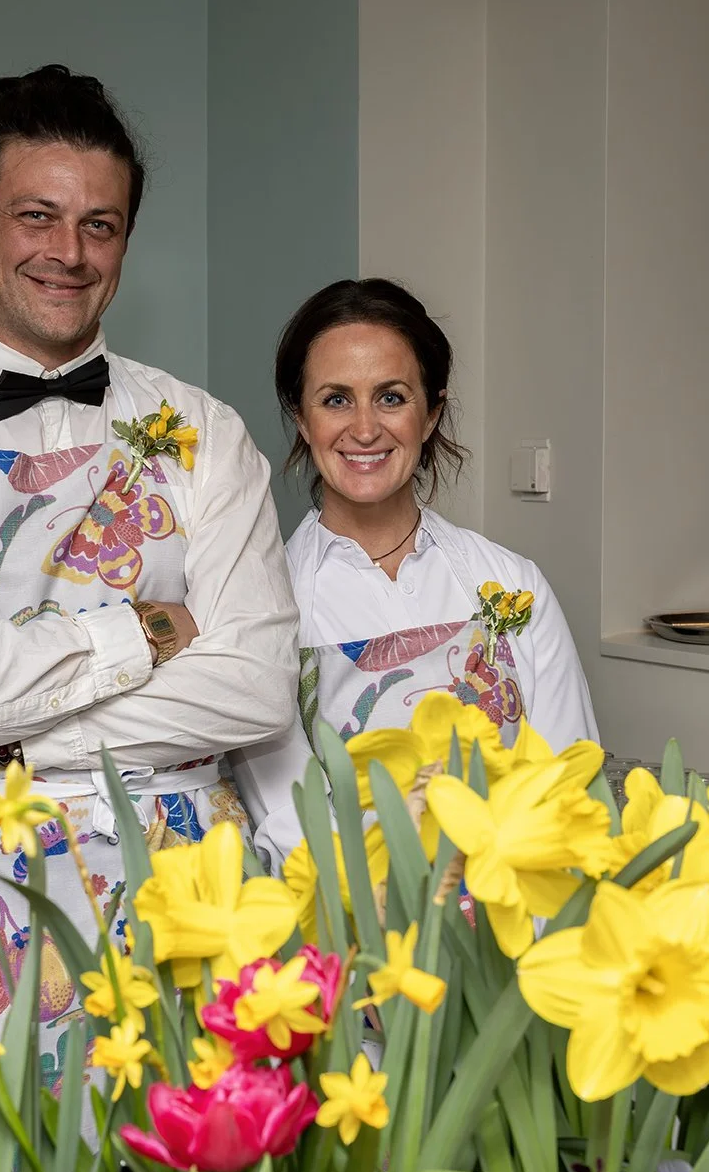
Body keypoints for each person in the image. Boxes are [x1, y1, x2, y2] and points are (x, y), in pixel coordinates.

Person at [0, 65, 298, 1061]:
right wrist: (143, 633)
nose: (67, 252)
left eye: (98, 225)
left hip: (187, 910)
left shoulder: (206, 429)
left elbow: (253, 686)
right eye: (35, 215)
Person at [233, 279, 598, 863]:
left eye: (391, 397)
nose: (365, 429)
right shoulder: (264, 608)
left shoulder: (514, 585)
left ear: (431, 415)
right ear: (301, 419)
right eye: (336, 400)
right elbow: (297, 835)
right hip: (351, 909)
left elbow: (568, 786)